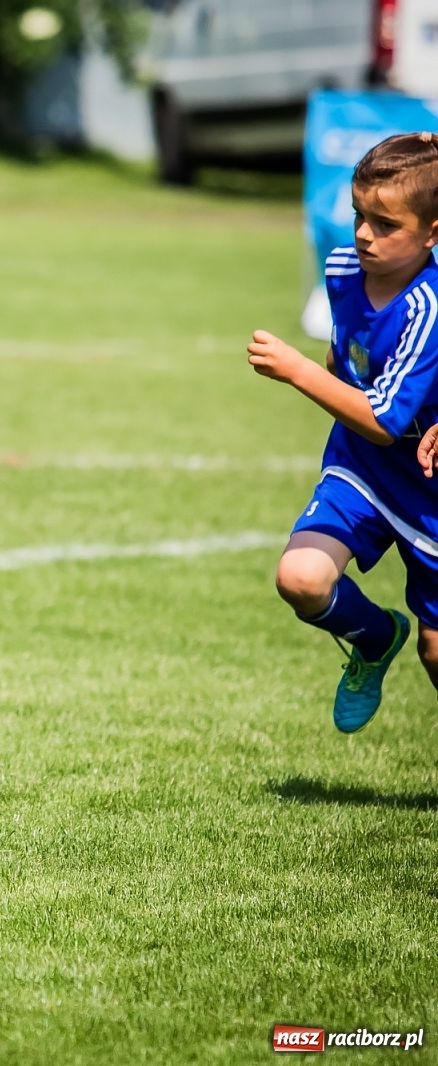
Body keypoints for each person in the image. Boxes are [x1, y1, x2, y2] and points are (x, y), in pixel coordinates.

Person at [249, 132, 438, 733]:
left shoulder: (425, 308)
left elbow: (384, 420)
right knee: (299, 579)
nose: (363, 235)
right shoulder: (341, 270)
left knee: (436, 653)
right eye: (360, 215)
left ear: (433, 234)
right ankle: (376, 637)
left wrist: (295, 371)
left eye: (386, 225)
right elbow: (348, 362)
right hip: (361, 468)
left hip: (429, 489)